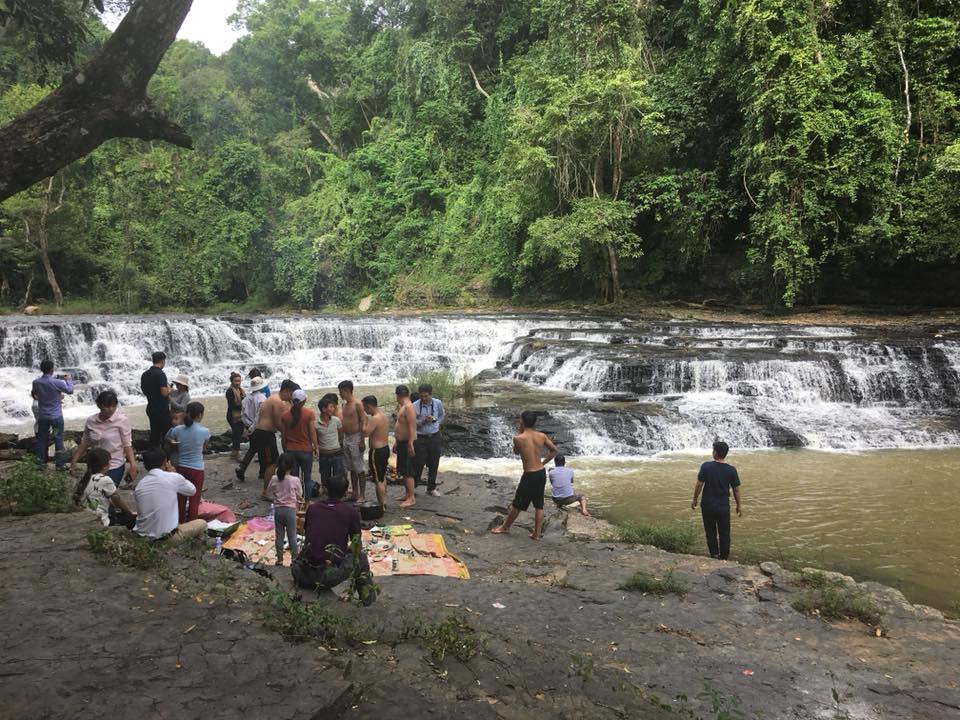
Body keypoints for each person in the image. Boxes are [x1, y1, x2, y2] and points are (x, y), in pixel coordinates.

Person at [292, 472, 377, 605]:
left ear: (325, 490)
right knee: (361, 557)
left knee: (302, 552)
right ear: (345, 493)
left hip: (300, 573)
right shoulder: (350, 512)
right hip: (325, 576)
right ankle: (368, 600)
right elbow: (356, 546)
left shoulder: (313, 508)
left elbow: (310, 534)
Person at [492, 411, 557, 540]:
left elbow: (516, 452)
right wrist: (543, 462)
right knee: (539, 504)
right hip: (540, 472)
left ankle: (504, 527)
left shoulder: (518, 438)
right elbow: (554, 450)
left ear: (522, 422)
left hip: (529, 475)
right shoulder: (542, 436)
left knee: (518, 504)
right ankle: (536, 534)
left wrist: (520, 432)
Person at [133, 450, 207, 545]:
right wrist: (174, 473)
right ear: (165, 462)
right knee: (202, 523)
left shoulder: (140, 485)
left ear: (145, 465)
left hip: (142, 538)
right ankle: (195, 552)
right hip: (166, 538)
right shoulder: (172, 477)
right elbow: (192, 490)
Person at [70, 390, 138, 486]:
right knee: (85, 491)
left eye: (114, 406)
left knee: (106, 492)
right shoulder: (91, 421)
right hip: (95, 464)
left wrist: (133, 465)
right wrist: (74, 461)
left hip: (114, 463)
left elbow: (127, 444)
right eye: (107, 406)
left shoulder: (122, 420)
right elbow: (85, 442)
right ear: (99, 405)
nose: (111, 409)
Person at [691, 440, 742, 560]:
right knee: (724, 533)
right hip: (723, 507)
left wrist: (694, 499)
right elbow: (736, 490)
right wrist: (739, 505)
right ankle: (724, 557)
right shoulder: (731, 470)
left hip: (707, 505)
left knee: (710, 532)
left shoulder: (706, 466)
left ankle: (714, 555)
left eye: (713, 450)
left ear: (715, 452)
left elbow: (699, 485)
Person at [165, 401, 210, 524]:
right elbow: (205, 447)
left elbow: (168, 438)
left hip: (181, 468)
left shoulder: (177, 430)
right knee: (194, 500)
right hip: (197, 469)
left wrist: (173, 442)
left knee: (181, 499)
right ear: (200, 415)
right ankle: (192, 526)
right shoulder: (205, 431)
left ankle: (180, 524)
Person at [253, 379, 296, 499]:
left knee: (273, 461)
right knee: (271, 464)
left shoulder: (274, 398)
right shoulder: (277, 401)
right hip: (265, 434)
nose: (291, 397)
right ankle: (265, 492)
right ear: (286, 391)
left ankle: (268, 490)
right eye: (291, 394)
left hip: (264, 434)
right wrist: (287, 435)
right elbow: (278, 423)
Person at [74, 447, 137, 529]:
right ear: (104, 466)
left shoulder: (85, 478)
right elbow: (117, 500)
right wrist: (129, 511)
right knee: (132, 518)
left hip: (85, 517)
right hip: (101, 520)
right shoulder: (105, 480)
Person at [31, 359, 74, 469]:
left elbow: (37, 394)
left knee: (42, 440)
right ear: (52, 369)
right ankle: (59, 464)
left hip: (43, 416)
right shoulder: (57, 382)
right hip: (56, 416)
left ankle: (40, 463)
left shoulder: (35, 382)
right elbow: (70, 390)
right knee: (58, 438)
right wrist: (68, 380)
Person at [280, 389, 318, 501]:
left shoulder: (285, 416)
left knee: (293, 479)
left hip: (291, 451)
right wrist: (316, 447)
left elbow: (283, 436)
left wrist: (285, 449)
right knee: (307, 478)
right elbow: (312, 433)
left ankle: (296, 502)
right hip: (306, 450)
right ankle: (306, 503)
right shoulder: (309, 413)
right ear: (304, 400)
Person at [267, 452, 303, 566]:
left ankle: (280, 559)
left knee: (279, 535)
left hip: (278, 510)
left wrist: (276, 497)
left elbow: (268, 492)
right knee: (292, 536)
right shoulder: (295, 480)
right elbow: (299, 494)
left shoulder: (274, 478)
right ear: (292, 466)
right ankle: (294, 559)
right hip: (290, 510)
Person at [412, 383, 444, 497]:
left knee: (434, 463)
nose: (424, 399)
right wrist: (423, 421)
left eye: (426, 396)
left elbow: (441, 415)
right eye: (422, 396)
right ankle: (413, 485)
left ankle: (431, 488)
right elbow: (412, 423)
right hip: (420, 438)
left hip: (434, 436)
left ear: (431, 394)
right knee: (419, 462)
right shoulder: (414, 405)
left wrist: (436, 422)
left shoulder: (438, 403)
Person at [338, 380, 367, 500]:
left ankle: (362, 495)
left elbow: (363, 420)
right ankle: (355, 493)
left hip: (356, 436)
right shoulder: (344, 405)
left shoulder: (357, 404)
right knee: (351, 468)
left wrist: (362, 440)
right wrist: (341, 439)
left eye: (341, 392)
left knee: (359, 468)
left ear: (347, 391)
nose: (340, 395)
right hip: (347, 438)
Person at [235, 376, 268, 481]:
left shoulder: (245, 399)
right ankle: (262, 472)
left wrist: (249, 426)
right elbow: (260, 414)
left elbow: (243, 415)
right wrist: (254, 426)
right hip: (260, 427)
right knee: (261, 450)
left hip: (250, 427)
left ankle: (243, 468)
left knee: (253, 448)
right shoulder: (262, 398)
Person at [362, 395, 389, 509]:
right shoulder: (383, 416)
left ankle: (381, 504)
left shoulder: (375, 418)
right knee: (382, 476)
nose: (364, 410)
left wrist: (363, 421)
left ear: (369, 406)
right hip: (385, 448)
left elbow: (366, 433)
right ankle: (384, 501)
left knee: (378, 480)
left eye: (365, 408)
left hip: (376, 452)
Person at [393, 385, 418, 508]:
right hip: (402, 442)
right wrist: (397, 442)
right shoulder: (403, 407)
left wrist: (411, 444)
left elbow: (412, 427)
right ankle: (407, 494)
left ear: (397, 395)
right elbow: (401, 426)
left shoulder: (408, 407)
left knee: (408, 471)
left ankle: (412, 497)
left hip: (408, 442)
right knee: (403, 470)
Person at [315, 394, 344, 498]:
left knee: (338, 476)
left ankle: (337, 496)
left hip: (337, 453)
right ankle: (328, 496)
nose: (333, 408)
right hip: (324, 455)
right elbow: (316, 439)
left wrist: (338, 444)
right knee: (325, 477)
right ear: (323, 409)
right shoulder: (316, 424)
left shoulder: (336, 420)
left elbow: (341, 434)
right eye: (331, 407)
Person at [140, 351, 171, 448]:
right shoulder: (160, 374)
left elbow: (144, 391)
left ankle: (154, 456)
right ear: (163, 361)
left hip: (151, 407)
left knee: (155, 433)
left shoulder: (144, 374)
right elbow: (164, 392)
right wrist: (169, 389)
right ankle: (166, 458)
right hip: (162, 409)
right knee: (166, 433)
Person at [225, 372, 246, 460]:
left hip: (240, 415)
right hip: (232, 416)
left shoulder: (241, 390)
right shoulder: (230, 391)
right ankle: (236, 454)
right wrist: (244, 405)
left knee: (238, 434)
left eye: (239, 381)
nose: (237, 383)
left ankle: (234, 453)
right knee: (237, 434)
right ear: (232, 381)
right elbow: (232, 405)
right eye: (235, 381)